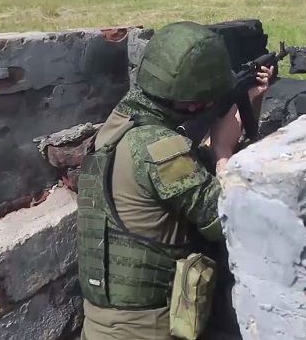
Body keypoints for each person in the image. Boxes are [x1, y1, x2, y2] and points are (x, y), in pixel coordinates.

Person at [77, 21, 273, 340]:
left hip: (100, 326)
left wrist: (248, 100)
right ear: (194, 104)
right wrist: (222, 151)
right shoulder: (161, 149)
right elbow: (227, 220)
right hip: (147, 330)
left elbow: (182, 174)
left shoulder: (119, 125)